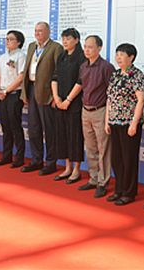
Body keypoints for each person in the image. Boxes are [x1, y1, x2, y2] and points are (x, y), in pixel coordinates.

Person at [104, 43, 144, 205]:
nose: (118, 58)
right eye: (117, 54)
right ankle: (119, 189)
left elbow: (141, 100)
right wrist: (107, 120)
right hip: (114, 121)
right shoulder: (115, 75)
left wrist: (134, 124)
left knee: (129, 159)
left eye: (122, 55)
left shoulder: (136, 75)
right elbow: (109, 98)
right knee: (117, 158)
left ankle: (129, 193)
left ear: (131, 57)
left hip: (129, 123)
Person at [20, 22, 63, 175]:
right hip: (32, 89)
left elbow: (59, 72)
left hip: (47, 93)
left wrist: (55, 96)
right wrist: (24, 93)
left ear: (48, 32)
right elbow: (26, 70)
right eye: (36, 31)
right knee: (33, 128)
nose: (37, 33)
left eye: (40, 31)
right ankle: (36, 160)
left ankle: (51, 163)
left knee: (49, 129)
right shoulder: (32, 46)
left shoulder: (56, 47)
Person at [77, 35, 115, 198]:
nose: (87, 50)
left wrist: (108, 115)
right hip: (85, 110)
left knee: (103, 148)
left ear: (99, 48)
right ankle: (93, 178)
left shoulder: (106, 67)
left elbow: (111, 92)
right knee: (90, 147)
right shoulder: (83, 66)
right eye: (85, 46)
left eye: (90, 47)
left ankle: (102, 181)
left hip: (101, 110)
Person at [51, 28, 85, 184]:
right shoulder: (62, 56)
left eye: (68, 38)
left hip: (74, 103)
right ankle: (67, 167)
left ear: (76, 40)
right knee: (62, 134)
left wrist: (68, 100)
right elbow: (54, 78)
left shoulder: (81, 57)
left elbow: (80, 81)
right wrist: (57, 98)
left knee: (74, 136)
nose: (65, 41)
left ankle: (76, 169)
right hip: (60, 102)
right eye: (63, 38)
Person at [0, 30, 26, 167]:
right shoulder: (2, 57)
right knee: (5, 126)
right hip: (2, 95)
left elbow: (20, 77)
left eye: (11, 39)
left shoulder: (21, 56)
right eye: (6, 39)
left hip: (14, 94)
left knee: (15, 126)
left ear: (18, 42)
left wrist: (6, 90)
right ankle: (6, 156)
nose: (7, 41)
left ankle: (19, 157)